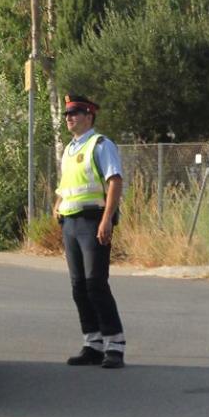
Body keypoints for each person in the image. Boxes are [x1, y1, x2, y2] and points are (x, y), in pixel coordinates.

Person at [53, 94, 126, 369]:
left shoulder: (100, 144)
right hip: (70, 222)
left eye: (75, 113)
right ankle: (92, 343)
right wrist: (58, 203)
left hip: (93, 220)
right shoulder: (69, 148)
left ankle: (114, 345)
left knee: (96, 283)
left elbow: (114, 181)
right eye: (67, 114)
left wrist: (107, 220)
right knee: (79, 286)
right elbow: (66, 184)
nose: (69, 118)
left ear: (89, 116)